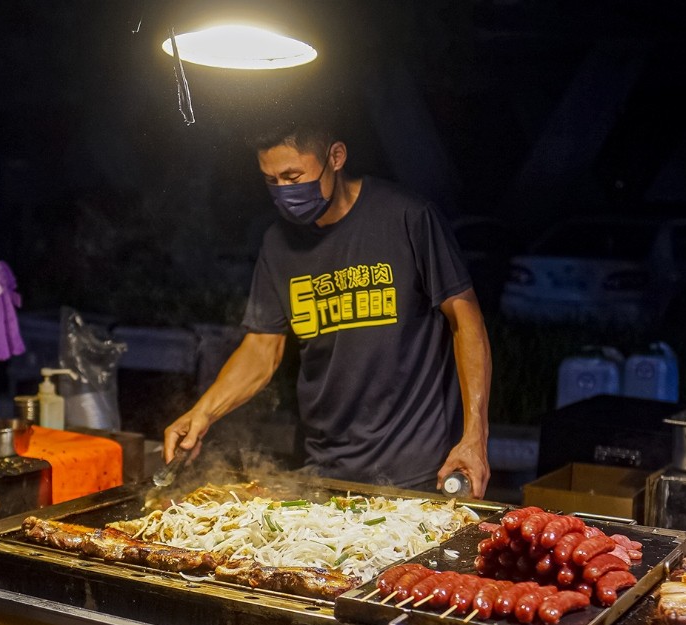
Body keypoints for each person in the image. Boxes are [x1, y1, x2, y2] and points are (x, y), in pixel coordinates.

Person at [164, 116, 492, 498]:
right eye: (272, 181)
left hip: (419, 470)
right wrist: (203, 413)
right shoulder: (278, 243)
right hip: (325, 471)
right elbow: (261, 349)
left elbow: (466, 319)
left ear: (335, 157)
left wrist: (475, 436)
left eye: (292, 176)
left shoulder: (406, 217)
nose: (284, 191)